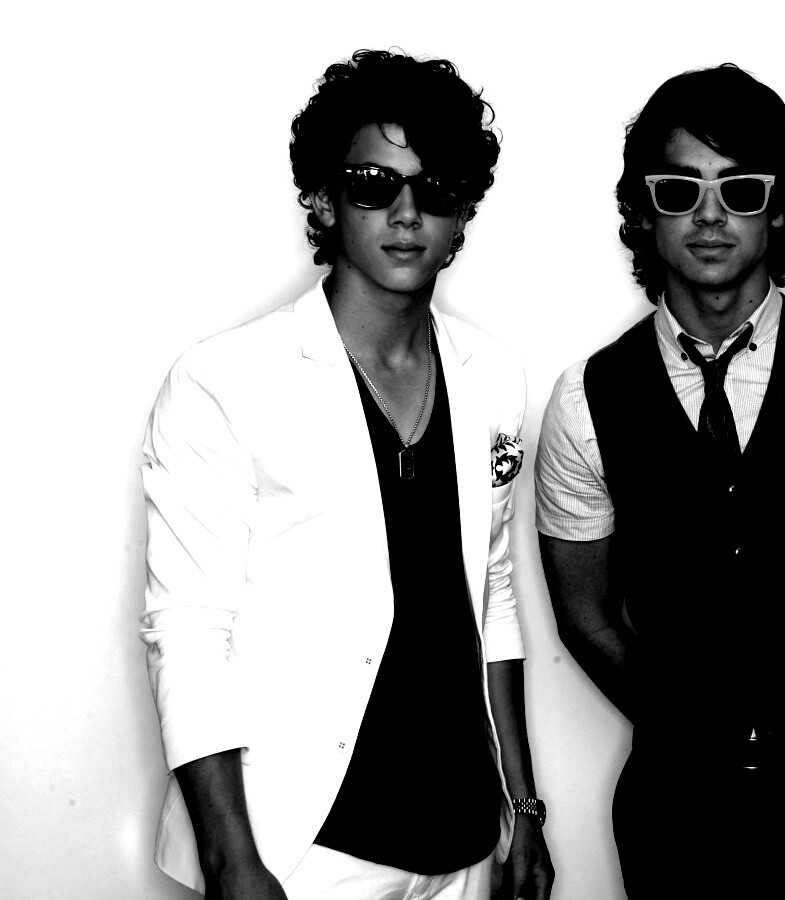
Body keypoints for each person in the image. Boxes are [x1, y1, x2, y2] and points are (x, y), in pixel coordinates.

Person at [139, 50, 553, 900]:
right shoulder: (226, 381)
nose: (405, 213)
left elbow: (492, 596)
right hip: (305, 848)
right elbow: (187, 630)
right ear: (326, 199)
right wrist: (230, 859)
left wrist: (524, 807)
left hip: (465, 841)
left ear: (462, 214)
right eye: (373, 184)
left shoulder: (492, 376)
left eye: (434, 189)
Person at [534, 63, 785, 898]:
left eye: (741, 190)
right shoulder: (584, 398)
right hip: (677, 818)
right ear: (643, 210)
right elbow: (584, 615)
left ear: (779, 208)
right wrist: (683, 719)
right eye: (679, 191)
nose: (709, 216)